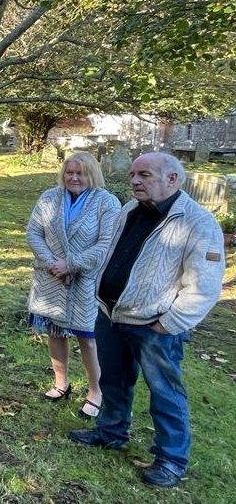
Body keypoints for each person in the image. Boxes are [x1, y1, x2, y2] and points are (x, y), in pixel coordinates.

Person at [69, 153, 225, 489]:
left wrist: (170, 322)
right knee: (112, 379)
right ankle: (111, 431)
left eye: (145, 175)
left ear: (172, 179)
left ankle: (171, 459)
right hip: (112, 314)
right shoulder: (129, 209)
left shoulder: (197, 223)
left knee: (165, 392)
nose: (136, 181)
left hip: (155, 325)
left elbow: (205, 284)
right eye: (133, 175)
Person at [26, 153, 120, 417]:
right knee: (54, 332)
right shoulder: (49, 197)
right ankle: (61, 382)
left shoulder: (107, 202)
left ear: (92, 175)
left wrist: (72, 263)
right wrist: (52, 263)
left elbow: (107, 243)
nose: (74, 178)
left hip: (85, 281)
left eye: (80, 173)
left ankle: (95, 391)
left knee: (87, 338)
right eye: (69, 172)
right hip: (51, 278)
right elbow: (33, 232)